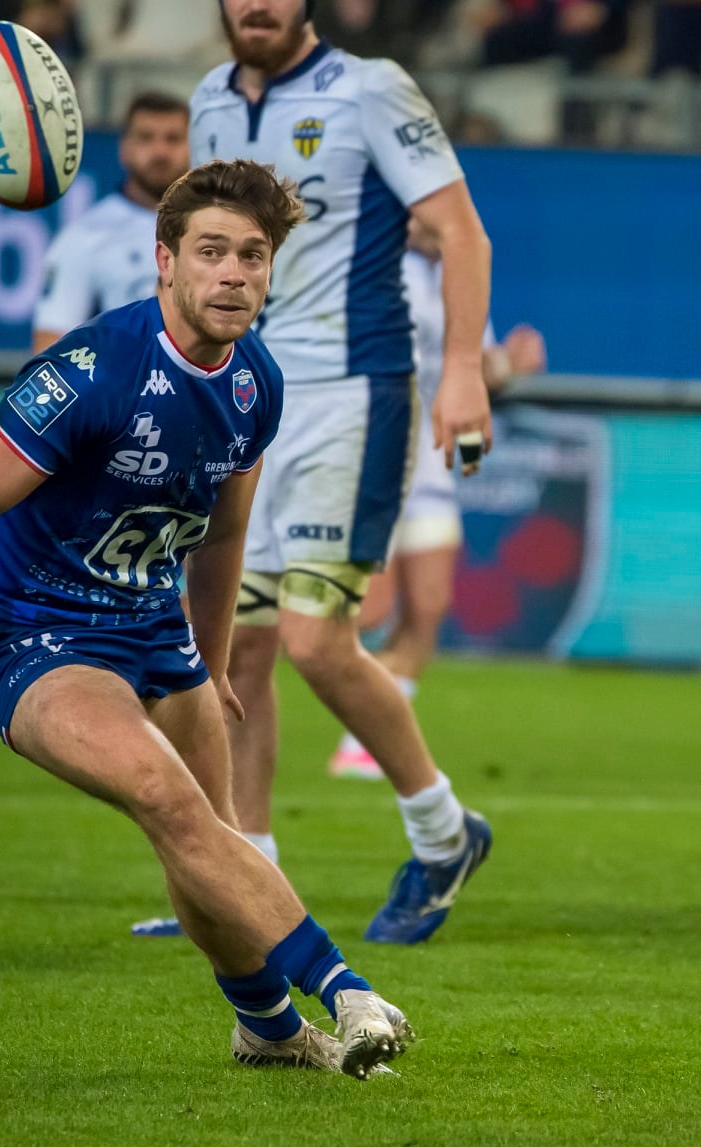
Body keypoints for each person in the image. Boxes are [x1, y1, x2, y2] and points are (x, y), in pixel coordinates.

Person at [0, 160, 413, 1078]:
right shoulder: (89, 372)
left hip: (154, 631)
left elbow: (223, 535)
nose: (233, 274)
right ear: (164, 261)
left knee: (208, 848)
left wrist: (211, 664)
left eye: (252, 256)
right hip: (36, 638)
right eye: (211, 252)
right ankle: (346, 992)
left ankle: (263, 1030)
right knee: (168, 800)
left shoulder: (255, 380)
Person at [192, 0, 496, 945]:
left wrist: (462, 373)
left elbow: (461, 234)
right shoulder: (208, 100)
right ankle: (248, 870)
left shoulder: (369, 88)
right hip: (243, 398)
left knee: (317, 642)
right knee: (234, 650)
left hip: (352, 392)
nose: (257, 5)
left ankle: (443, 833)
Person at [330, 219, 547, 781]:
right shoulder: (368, 265)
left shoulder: (459, 274)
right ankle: (233, 645)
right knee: (368, 611)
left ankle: (362, 742)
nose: (442, 221)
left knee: (427, 607)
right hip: (369, 448)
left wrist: (510, 364)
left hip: (427, 454)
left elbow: (473, 369)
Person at [31, 92, 194, 353]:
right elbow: (50, 345)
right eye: (146, 138)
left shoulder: (217, 229)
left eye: (173, 139)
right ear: (124, 149)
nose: (160, 151)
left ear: (192, 146)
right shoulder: (84, 237)